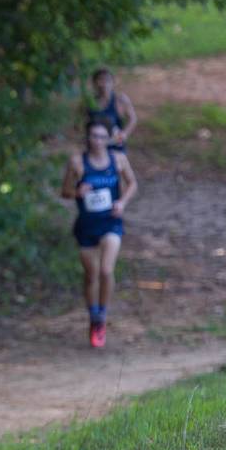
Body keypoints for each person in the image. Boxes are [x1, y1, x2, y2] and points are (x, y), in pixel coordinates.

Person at [60, 117, 138, 348]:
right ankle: (93, 316)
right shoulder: (77, 162)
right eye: (94, 136)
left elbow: (133, 183)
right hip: (86, 225)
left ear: (109, 139)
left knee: (106, 270)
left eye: (102, 137)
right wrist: (77, 192)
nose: (97, 141)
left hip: (111, 222)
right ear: (87, 138)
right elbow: (64, 191)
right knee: (91, 275)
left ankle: (102, 315)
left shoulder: (119, 159)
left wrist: (122, 202)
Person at [88, 67, 137, 151]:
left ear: (113, 82)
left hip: (115, 147)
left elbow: (133, 119)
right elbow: (83, 121)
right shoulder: (90, 102)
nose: (104, 83)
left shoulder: (120, 99)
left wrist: (125, 133)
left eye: (107, 80)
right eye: (100, 80)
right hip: (95, 147)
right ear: (94, 83)